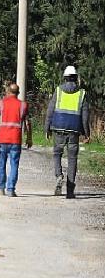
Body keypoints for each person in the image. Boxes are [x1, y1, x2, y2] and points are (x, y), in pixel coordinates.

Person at [44, 66, 90, 199]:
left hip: (58, 128)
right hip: (74, 131)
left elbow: (50, 111)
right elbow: (85, 117)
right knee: (72, 159)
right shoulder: (82, 93)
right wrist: (87, 133)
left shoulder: (58, 91)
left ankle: (59, 176)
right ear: (76, 78)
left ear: (64, 77)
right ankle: (70, 190)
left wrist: (47, 128)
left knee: (57, 154)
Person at [0, 83, 33, 197]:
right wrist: (29, 138)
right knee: (14, 164)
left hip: (3, 139)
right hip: (15, 140)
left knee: (2, 163)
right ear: (18, 93)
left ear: (8, 92)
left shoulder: (1, 103)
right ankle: (11, 189)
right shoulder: (23, 105)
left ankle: (1, 188)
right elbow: (27, 123)